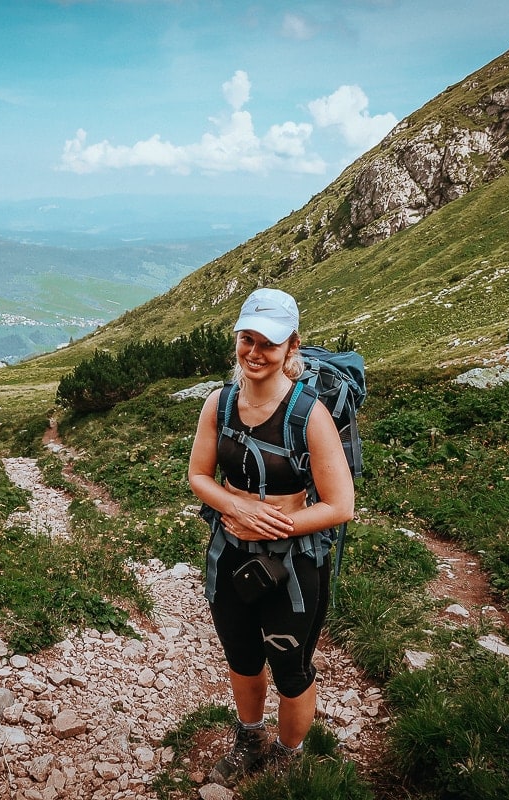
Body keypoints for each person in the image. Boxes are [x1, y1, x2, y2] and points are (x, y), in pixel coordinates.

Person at [188, 287, 355, 787]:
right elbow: (198, 475)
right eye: (247, 339)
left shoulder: (310, 415)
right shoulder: (219, 403)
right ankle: (249, 738)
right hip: (229, 554)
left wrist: (270, 523)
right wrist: (235, 506)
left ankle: (289, 754)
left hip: (295, 564)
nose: (255, 353)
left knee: (291, 666)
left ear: (291, 347)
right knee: (241, 656)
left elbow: (340, 504)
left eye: (268, 343)